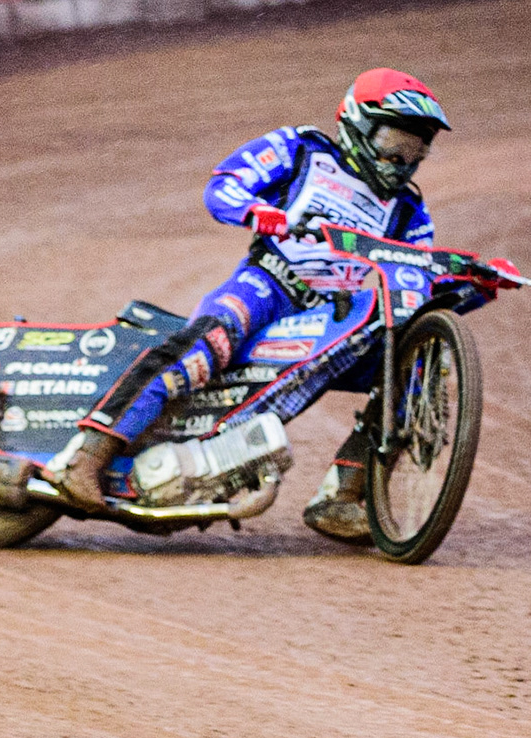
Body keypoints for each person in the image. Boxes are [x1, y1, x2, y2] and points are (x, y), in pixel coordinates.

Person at [48, 68, 518, 542]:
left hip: (336, 316)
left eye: (416, 151)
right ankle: (89, 453)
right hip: (268, 284)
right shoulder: (302, 150)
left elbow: (414, 277)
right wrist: (260, 212)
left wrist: (472, 281)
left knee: (412, 368)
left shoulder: (408, 211)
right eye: (393, 142)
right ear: (356, 123)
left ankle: (344, 495)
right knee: (209, 341)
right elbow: (225, 185)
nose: (402, 161)